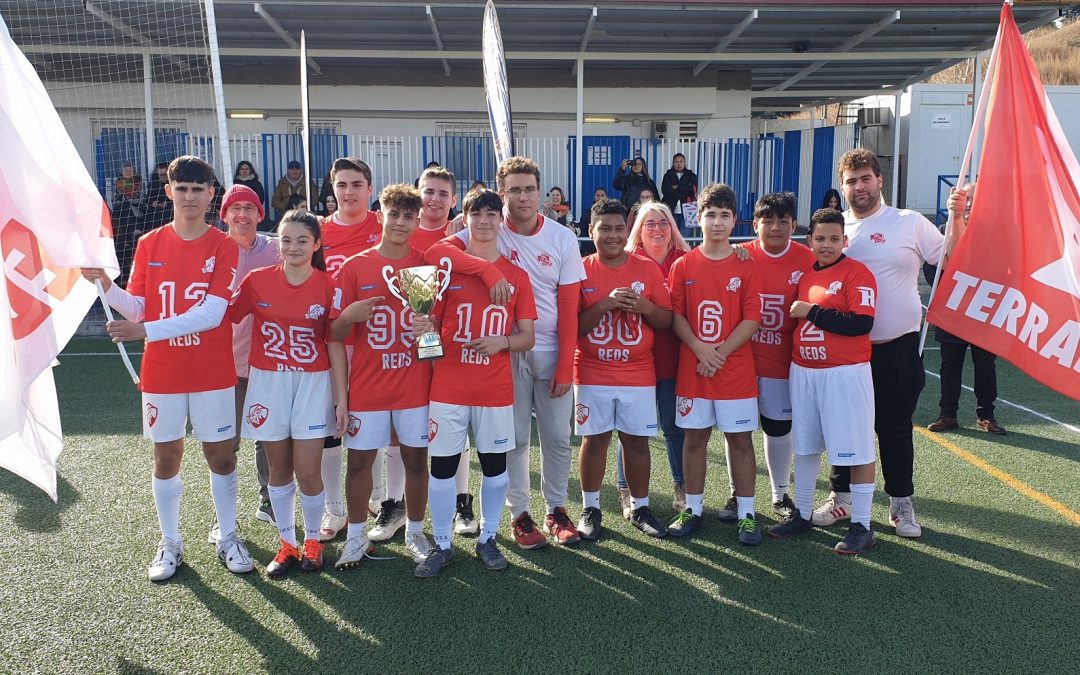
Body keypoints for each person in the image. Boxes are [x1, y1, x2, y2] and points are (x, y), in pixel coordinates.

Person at [81, 156, 249, 581]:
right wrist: (106, 285)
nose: (189, 196)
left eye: (198, 189)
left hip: (211, 371)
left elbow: (212, 314)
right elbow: (138, 304)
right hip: (164, 372)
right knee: (166, 456)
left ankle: (228, 535)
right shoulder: (149, 243)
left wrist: (145, 329)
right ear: (169, 191)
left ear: (211, 195)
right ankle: (171, 542)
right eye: (182, 188)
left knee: (221, 457)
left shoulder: (225, 246)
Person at [426, 156, 587, 549]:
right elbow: (436, 254)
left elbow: (568, 308)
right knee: (513, 439)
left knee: (556, 436)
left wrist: (566, 364)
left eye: (529, 188)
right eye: (514, 189)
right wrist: (487, 270)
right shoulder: (486, 225)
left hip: (548, 348)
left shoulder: (562, 238)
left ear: (540, 191)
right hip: (504, 355)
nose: (522, 196)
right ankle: (520, 514)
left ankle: (556, 510)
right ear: (503, 195)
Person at [811, 148, 964, 538]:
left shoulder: (908, 222)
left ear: (880, 180)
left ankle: (901, 503)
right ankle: (841, 496)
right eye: (851, 180)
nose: (859, 187)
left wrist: (958, 217)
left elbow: (951, 256)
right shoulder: (836, 230)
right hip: (844, 349)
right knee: (843, 427)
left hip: (896, 346)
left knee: (894, 427)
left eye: (865, 178)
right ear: (842, 187)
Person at [414, 188, 538, 577]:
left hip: (494, 389)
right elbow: (427, 339)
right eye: (476, 214)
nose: (484, 221)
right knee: (442, 468)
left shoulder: (517, 276)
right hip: (448, 387)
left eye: (491, 214)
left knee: (494, 465)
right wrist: (425, 334)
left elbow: (528, 337)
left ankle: (488, 537)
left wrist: (502, 342)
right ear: (463, 220)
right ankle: (442, 542)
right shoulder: (444, 268)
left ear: (502, 221)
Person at [231, 210, 347, 576]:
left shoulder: (329, 287)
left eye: (301, 240)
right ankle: (287, 545)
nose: (293, 247)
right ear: (277, 243)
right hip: (268, 384)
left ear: (316, 245)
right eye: (285, 240)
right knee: (278, 469)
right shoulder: (256, 281)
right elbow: (225, 317)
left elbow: (335, 344)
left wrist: (341, 398)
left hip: (313, 384)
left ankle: (313, 541)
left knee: (308, 470)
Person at [329, 184, 435, 569]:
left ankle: (415, 531)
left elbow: (431, 346)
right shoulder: (356, 266)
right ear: (381, 215)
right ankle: (356, 537)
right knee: (359, 463)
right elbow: (334, 335)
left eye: (410, 216)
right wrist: (348, 315)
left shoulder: (424, 266)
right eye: (395, 214)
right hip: (369, 387)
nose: (402, 222)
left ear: (418, 220)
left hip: (413, 387)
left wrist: (429, 331)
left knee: (415, 462)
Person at [768, 208, 879, 554]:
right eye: (820, 238)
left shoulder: (857, 273)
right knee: (805, 445)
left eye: (834, 239)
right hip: (804, 373)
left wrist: (812, 311)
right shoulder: (805, 276)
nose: (827, 245)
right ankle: (801, 513)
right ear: (809, 241)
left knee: (858, 449)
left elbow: (861, 324)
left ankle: (862, 524)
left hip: (844, 374)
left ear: (845, 241)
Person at [666, 183, 763, 544]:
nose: (718, 222)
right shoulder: (683, 265)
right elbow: (676, 315)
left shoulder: (747, 264)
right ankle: (692, 508)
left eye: (724, 215)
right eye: (711, 214)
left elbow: (752, 319)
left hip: (734, 372)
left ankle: (748, 514)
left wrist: (716, 353)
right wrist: (699, 349)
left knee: (740, 441)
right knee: (694, 439)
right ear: (698, 218)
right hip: (694, 371)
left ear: (734, 219)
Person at [575, 199, 672, 540]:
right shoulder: (581, 268)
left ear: (626, 230)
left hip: (637, 372)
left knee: (636, 441)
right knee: (595, 439)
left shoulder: (646, 269)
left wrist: (643, 306)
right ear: (591, 230)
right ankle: (591, 507)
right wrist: (604, 304)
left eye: (619, 228)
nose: (613, 235)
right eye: (604, 228)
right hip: (592, 371)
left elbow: (666, 319)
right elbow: (575, 329)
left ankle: (641, 506)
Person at [406, 166, 481, 536]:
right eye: (428, 191)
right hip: (412, 332)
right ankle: (393, 503)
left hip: (452, 338)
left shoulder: (462, 236)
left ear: (454, 201)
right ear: (418, 193)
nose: (434, 199)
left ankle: (462, 501)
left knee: (453, 418)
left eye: (442, 194)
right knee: (406, 422)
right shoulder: (402, 226)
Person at [316, 157, 384, 543]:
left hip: (377, 345)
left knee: (375, 428)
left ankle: (378, 498)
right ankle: (334, 510)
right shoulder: (319, 231)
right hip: (333, 343)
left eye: (357, 184)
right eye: (342, 185)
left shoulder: (383, 226)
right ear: (333, 189)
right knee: (331, 429)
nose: (349, 192)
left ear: (370, 189)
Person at [740, 192, 816, 522]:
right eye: (767, 221)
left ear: (793, 225)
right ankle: (735, 491)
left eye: (783, 222)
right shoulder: (740, 255)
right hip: (740, 361)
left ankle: (779, 492)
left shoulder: (807, 259)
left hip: (780, 363)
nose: (774, 228)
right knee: (738, 430)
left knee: (777, 429)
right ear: (755, 224)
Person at [613, 202, 691, 516]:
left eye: (663, 223)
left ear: (672, 228)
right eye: (649, 224)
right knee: (630, 429)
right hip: (635, 360)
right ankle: (625, 488)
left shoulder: (687, 260)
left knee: (675, 426)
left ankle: (683, 487)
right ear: (638, 230)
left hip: (675, 356)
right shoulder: (626, 261)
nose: (656, 229)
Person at [217, 185, 282, 537]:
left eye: (249, 208)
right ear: (224, 215)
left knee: (269, 436)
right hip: (223, 364)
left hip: (268, 363)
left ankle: (269, 501)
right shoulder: (212, 250)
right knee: (225, 442)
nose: (242, 214)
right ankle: (223, 515)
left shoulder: (276, 249)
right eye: (235, 208)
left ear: (260, 214)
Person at [926, 186, 1006, 435]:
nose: (969, 203)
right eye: (966, 198)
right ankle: (947, 414)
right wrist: (955, 219)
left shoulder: (995, 235)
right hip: (953, 309)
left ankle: (986, 415)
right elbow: (940, 269)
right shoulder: (944, 232)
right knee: (950, 365)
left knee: (985, 365)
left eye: (974, 198)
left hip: (984, 310)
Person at [660, 153, 698, 236]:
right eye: (676, 162)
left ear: (685, 163)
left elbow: (693, 191)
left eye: (681, 161)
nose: (679, 164)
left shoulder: (691, 176)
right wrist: (684, 193)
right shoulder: (668, 175)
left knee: (684, 238)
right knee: (670, 236)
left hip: (687, 212)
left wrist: (677, 187)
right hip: (671, 210)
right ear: (673, 163)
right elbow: (666, 191)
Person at [141, 162, 173, 232]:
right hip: (156, 209)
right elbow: (148, 198)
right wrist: (152, 202)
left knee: (167, 215)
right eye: (160, 175)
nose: (162, 177)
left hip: (170, 208)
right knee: (150, 217)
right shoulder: (154, 182)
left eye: (164, 174)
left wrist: (168, 203)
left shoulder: (173, 182)